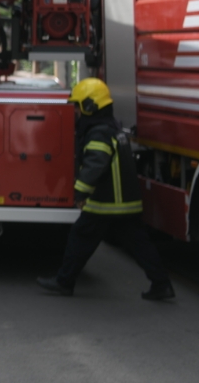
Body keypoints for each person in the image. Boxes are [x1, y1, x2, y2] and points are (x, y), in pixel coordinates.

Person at [37, 78, 175, 300]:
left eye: (78, 107)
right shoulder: (112, 127)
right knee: (139, 245)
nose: (76, 113)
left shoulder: (98, 132)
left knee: (79, 238)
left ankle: (64, 282)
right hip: (124, 202)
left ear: (90, 107)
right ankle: (161, 283)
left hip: (107, 202)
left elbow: (95, 165)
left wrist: (80, 192)